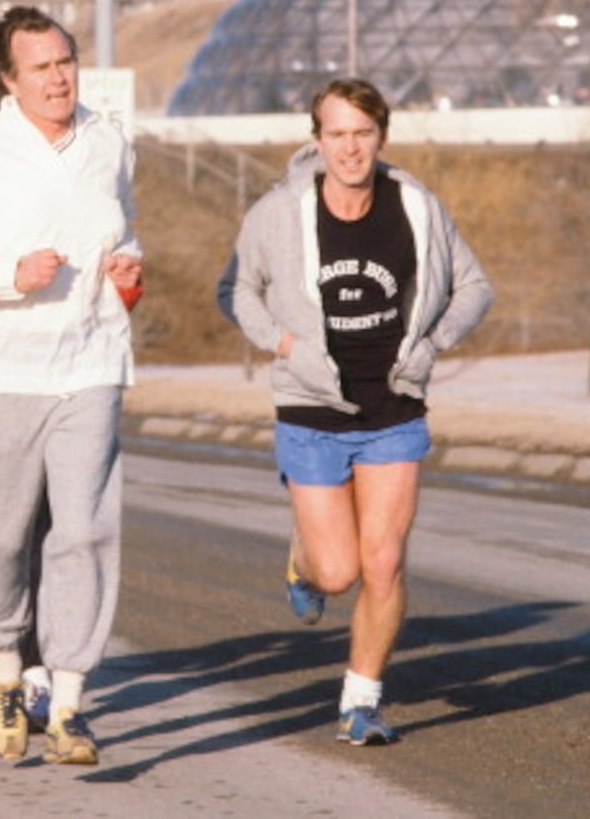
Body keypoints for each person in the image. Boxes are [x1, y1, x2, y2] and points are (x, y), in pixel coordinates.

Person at [217, 77, 492, 746]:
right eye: (336, 134)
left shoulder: (416, 207)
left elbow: (474, 286)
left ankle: (360, 702)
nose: (349, 148)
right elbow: (235, 289)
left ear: (380, 137)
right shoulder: (279, 212)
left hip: (394, 406)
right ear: (317, 139)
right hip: (310, 408)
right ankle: (302, 558)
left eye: (361, 134)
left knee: (384, 562)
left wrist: (431, 344)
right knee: (336, 572)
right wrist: (283, 343)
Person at [0, 5, 143, 766]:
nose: (58, 78)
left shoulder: (107, 144)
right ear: (9, 81)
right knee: (7, 535)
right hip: (2, 370)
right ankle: (6, 663)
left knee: (84, 530)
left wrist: (126, 273)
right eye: (39, 67)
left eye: (65, 61)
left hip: (90, 363)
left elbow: (124, 230)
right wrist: (7, 279)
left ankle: (70, 699)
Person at [0, 278, 144, 735]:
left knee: (71, 527)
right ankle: (20, 664)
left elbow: (115, 264)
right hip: (3, 374)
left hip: (78, 371)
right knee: (15, 531)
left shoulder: (99, 202)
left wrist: (122, 288)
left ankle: (57, 694)